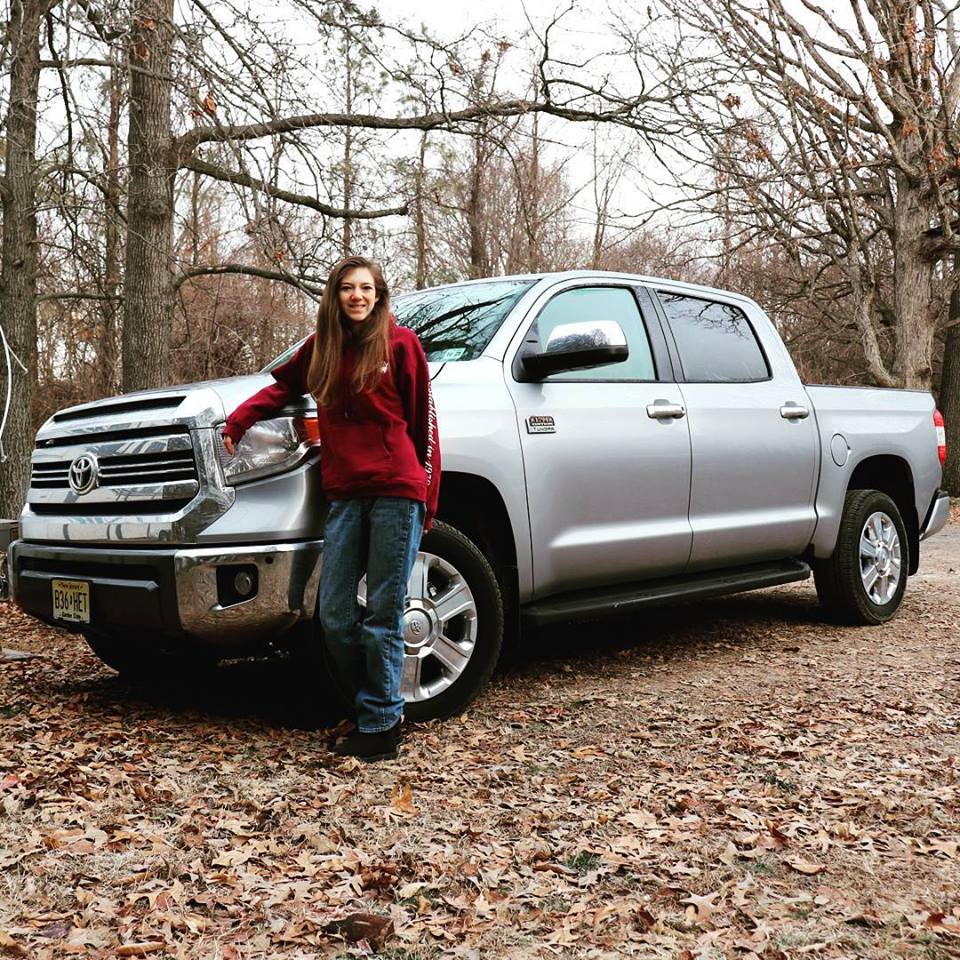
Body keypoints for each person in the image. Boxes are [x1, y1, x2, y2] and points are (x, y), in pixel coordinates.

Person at [222, 255, 440, 762]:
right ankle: (372, 704)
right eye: (348, 288)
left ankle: (381, 724)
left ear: (379, 295)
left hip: (395, 490)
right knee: (336, 614)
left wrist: (426, 499)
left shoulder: (401, 346)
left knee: (383, 614)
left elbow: (424, 425)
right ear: (335, 296)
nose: (357, 296)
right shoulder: (321, 349)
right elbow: (280, 389)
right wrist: (237, 423)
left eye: (366, 288)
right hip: (344, 495)